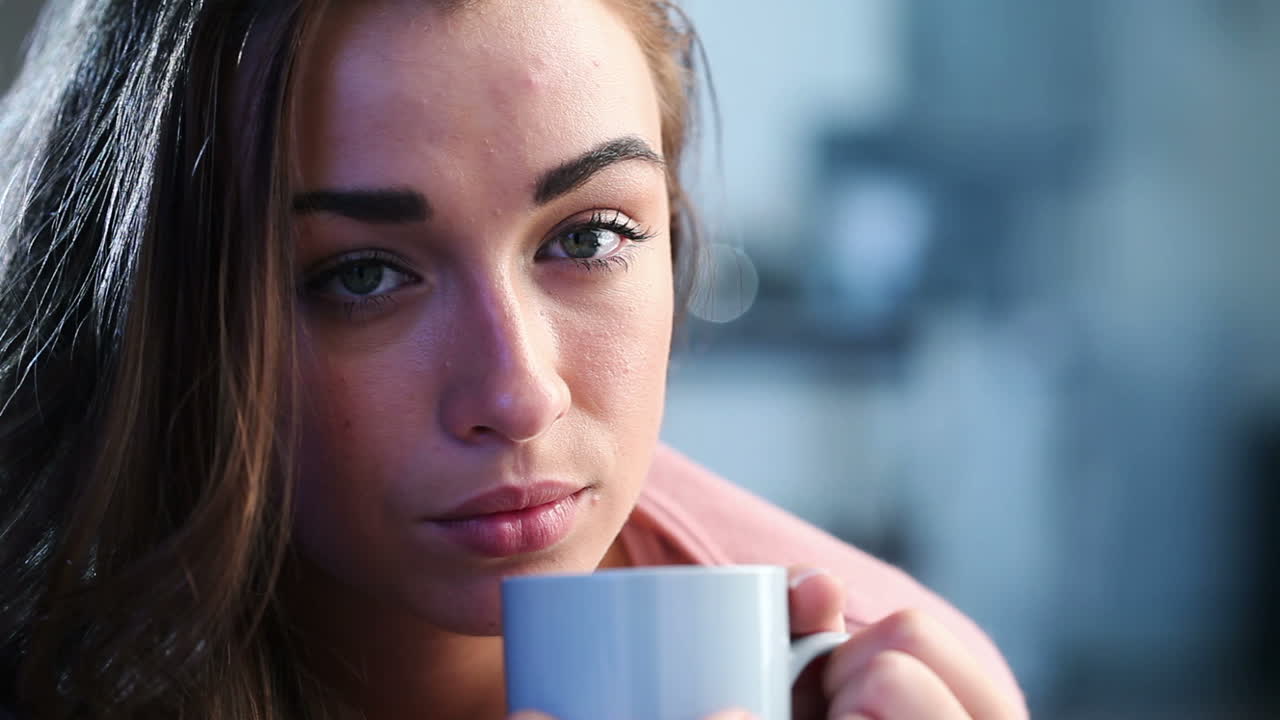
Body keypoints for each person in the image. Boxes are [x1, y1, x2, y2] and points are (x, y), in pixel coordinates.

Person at [0, 1, 1028, 718]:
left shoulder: (898, 667)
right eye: (360, 275)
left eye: (586, 239)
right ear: (156, 306)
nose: (518, 392)